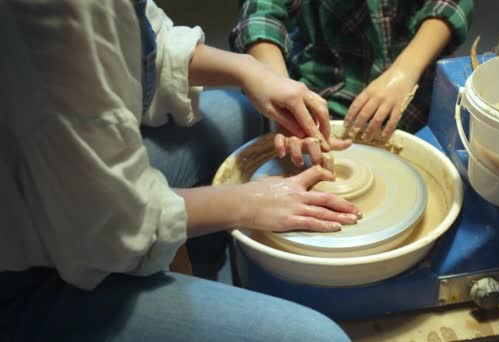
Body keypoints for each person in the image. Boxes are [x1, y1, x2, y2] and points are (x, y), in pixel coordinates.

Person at [0, 0, 360, 340]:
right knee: (317, 337)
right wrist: (249, 203)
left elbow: (142, 43)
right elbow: (106, 224)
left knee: (244, 113)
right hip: (23, 270)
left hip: (53, 180)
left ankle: (208, 278)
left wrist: (251, 71)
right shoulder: (56, 13)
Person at [230, 0, 473, 144]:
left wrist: (404, 72)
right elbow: (261, 14)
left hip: (420, 83)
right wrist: (281, 92)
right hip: (329, 88)